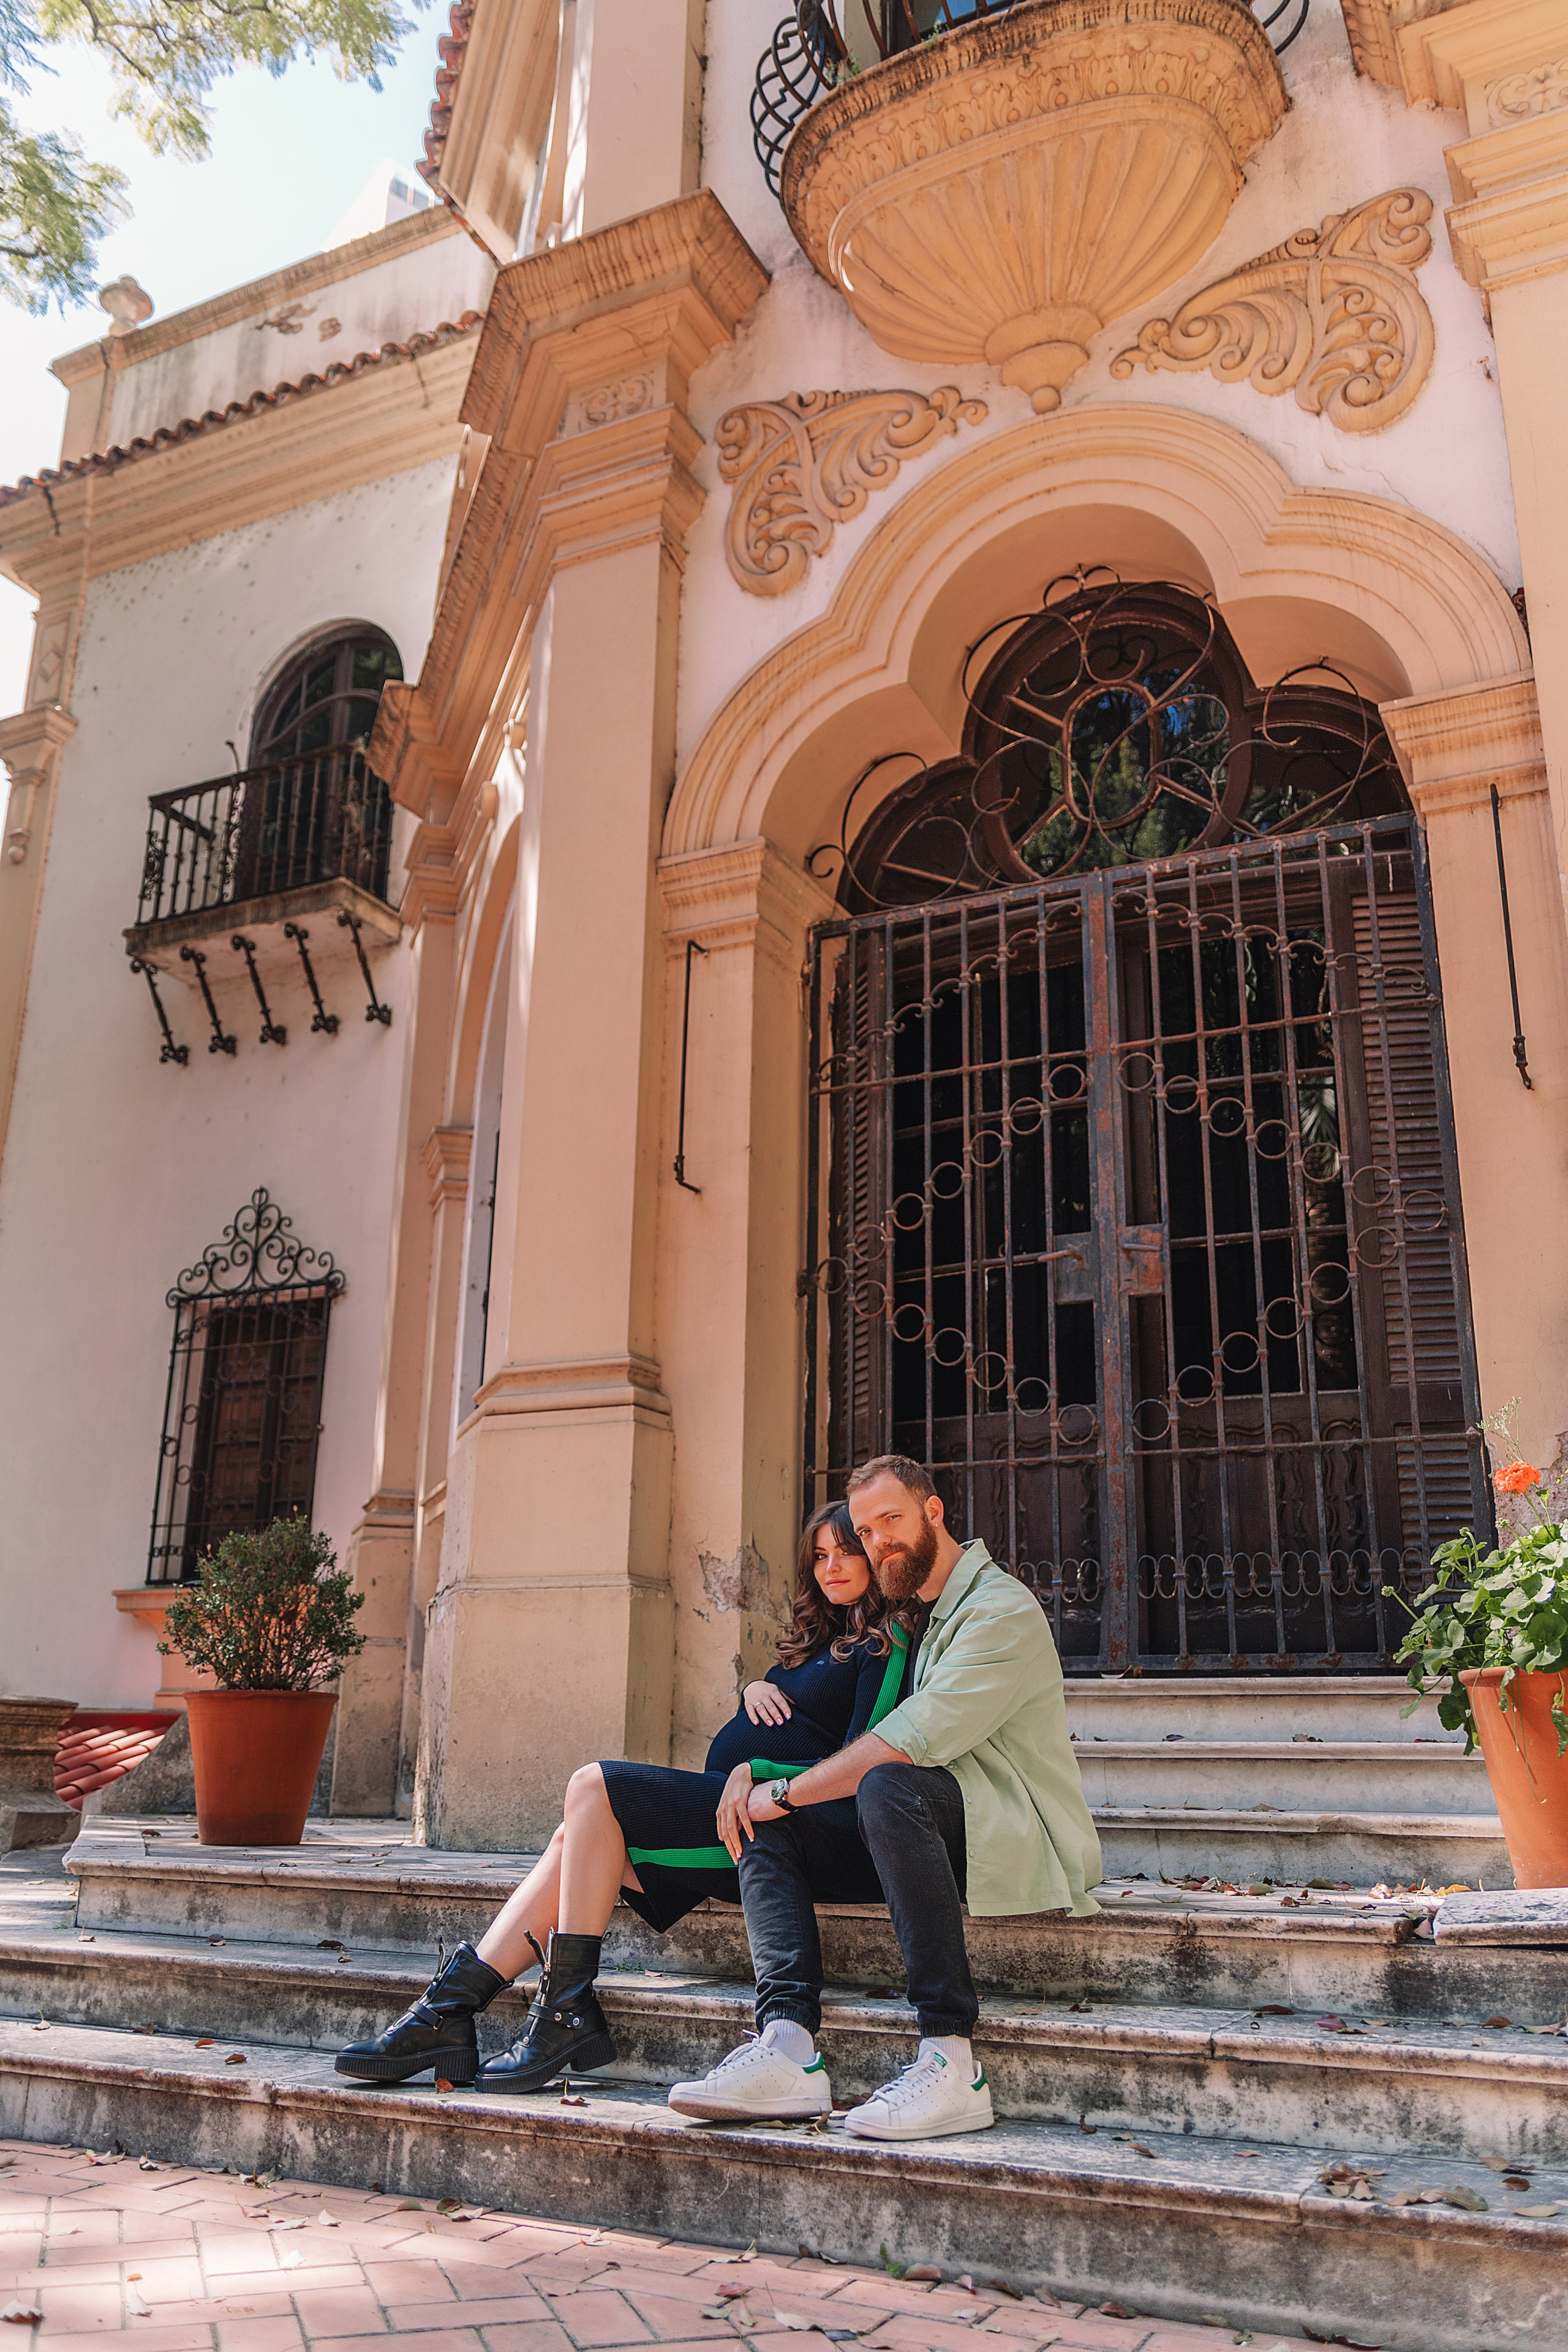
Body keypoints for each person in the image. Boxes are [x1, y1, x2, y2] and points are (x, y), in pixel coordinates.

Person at [334, 1501, 913, 2093]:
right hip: (733, 1819)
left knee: (593, 1786)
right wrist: (756, 1686)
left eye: (847, 1552)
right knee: (574, 1838)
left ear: (875, 1555)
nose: (830, 1567)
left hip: (786, 1831)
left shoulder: (885, 1639)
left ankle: (542, 2013)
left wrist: (760, 1770)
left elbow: (865, 1755)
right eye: (819, 1555)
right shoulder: (822, 1640)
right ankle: (451, 2012)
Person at [667, 1452, 1101, 2142]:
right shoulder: (919, 1616)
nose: (877, 1543)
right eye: (865, 1531)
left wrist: (783, 1787)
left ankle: (952, 2060)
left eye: (890, 1521)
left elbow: (910, 1740)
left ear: (933, 1512)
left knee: (885, 1783)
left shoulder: (999, 1609)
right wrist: (769, 1769)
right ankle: (787, 2047)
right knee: (771, 1818)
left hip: (1009, 1829)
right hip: (921, 1827)